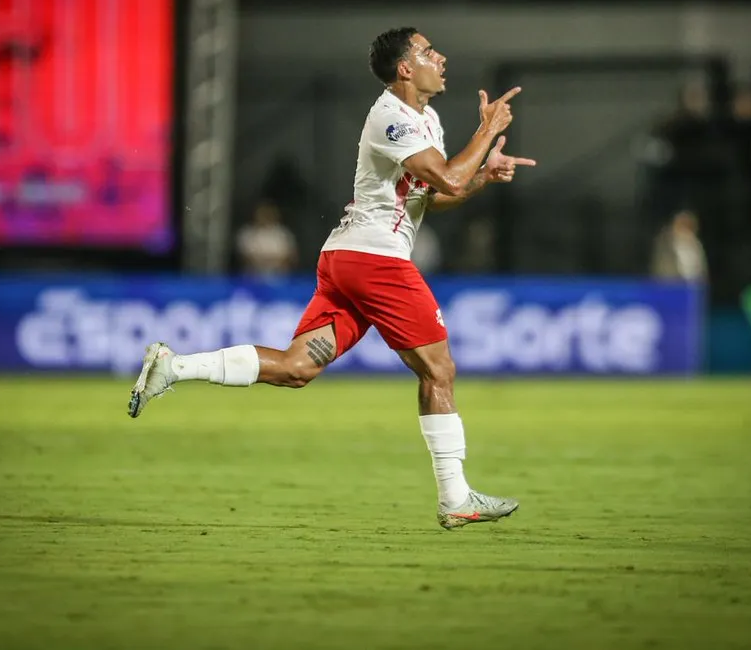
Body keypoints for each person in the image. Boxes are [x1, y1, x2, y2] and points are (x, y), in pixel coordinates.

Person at [128, 27, 536, 530]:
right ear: (405, 68)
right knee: (439, 370)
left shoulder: (424, 117)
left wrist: (482, 175)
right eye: (428, 51)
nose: (441, 56)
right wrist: (487, 131)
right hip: (375, 260)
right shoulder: (391, 116)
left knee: (298, 367)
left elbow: (436, 194)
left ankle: (173, 367)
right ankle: (455, 499)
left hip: (349, 259)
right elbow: (446, 177)